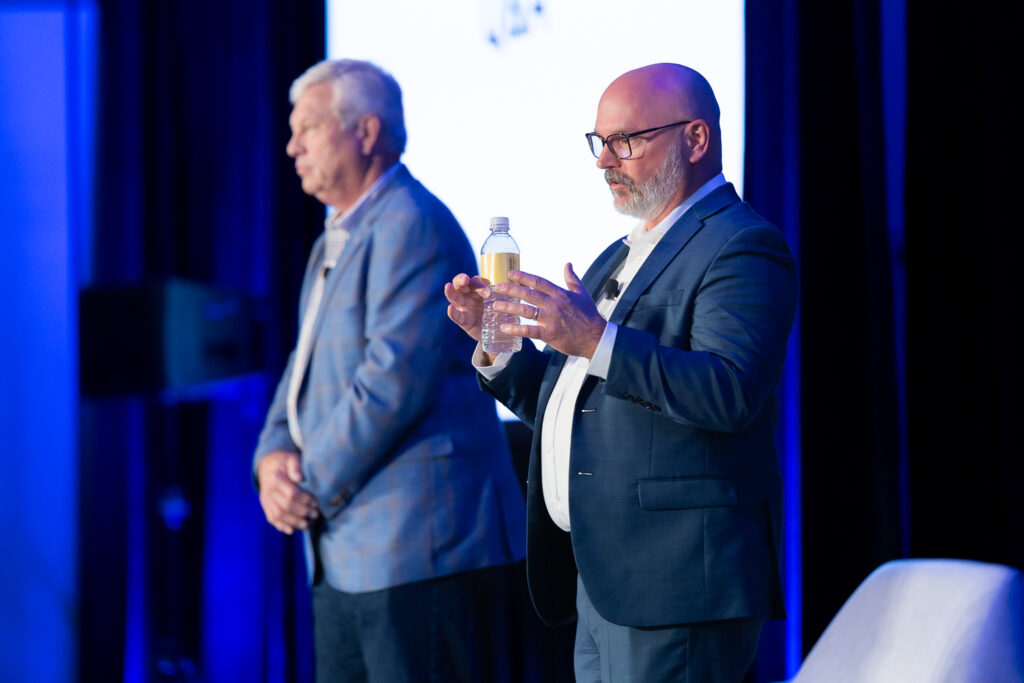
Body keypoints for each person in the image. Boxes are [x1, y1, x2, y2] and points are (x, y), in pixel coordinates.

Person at [444, 63, 797, 682]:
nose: (605, 160)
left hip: (678, 583)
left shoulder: (742, 246)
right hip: (606, 578)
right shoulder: (622, 251)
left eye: (626, 141)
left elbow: (729, 392)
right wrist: (495, 346)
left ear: (694, 139)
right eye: (598, 141)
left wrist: (593, 337)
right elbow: (577, 401)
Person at [253, 58, 526, 683]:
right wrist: (270, 460)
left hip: (417, 550)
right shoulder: (337, 235)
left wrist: (305, 484)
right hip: (349, 549)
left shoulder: (412, 224)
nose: (291, 146)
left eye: (310, 128)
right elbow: (305, 363)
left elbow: (390, 385)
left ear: (366, 133)